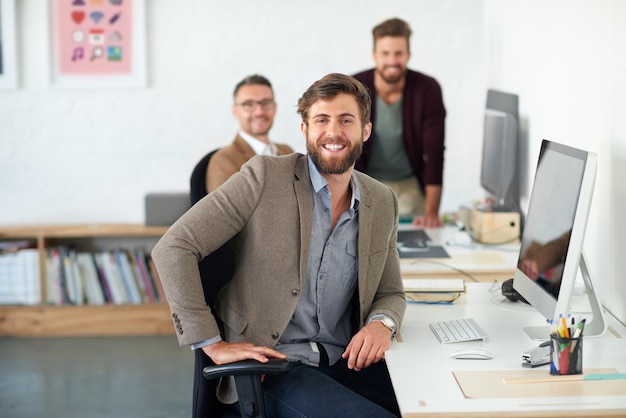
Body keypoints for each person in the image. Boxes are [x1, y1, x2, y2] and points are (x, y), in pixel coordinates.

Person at [152, 73, 406, 417]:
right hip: (274, 366)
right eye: (321, 120)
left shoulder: (382, 200)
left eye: (346, 120)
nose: (334, 132)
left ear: (365, 130)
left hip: (346, 361)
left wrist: (383, 323)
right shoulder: (264, 177)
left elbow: (390, 292)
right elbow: (173, 247)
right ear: (305, 130)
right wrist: (211, 344)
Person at [353, 17, 446, 228]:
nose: (392, 61)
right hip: (364, 182)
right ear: (374, 55)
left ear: (408, 55)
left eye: (398, 53)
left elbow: (435, 154)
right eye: (385, 53)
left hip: (409, 187)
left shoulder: (428, 89)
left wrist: (431, 213)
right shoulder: (356, 87)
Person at [206, 74, 293, 193]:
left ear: (275, 107)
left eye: (266, 102)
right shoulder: (223, 161)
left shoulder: (287, 152)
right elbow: (227, 211)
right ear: (235, 111)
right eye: (249, 104)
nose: (259, 111)